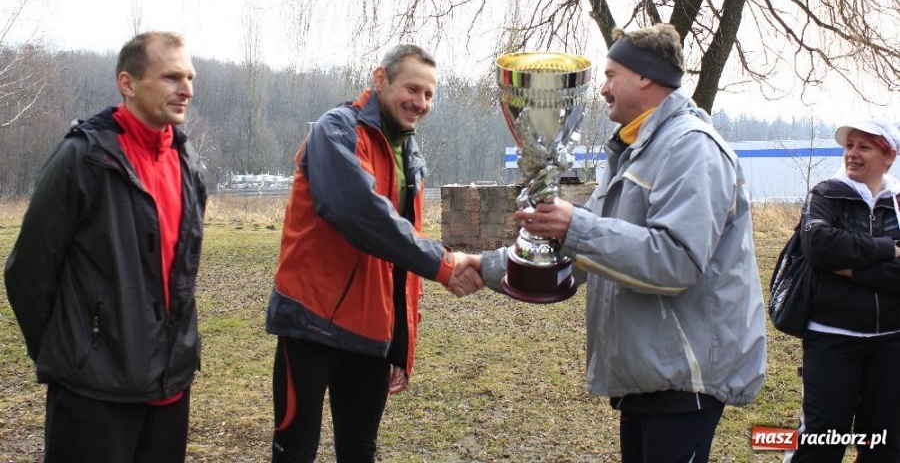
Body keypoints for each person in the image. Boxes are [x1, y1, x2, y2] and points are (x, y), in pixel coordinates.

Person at [480, 24, 767, 462]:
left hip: (683, 379)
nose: (603, 89)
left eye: (612, 75)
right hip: (649, 374)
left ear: (646, 77)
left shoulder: (691, 149)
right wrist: (479, 266)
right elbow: (583, 250)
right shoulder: (633, 151)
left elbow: (675, 260)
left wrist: (573, 226)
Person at [267, 43, 483, 462]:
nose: (421, 103)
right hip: (310, 322)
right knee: (295, 449)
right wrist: (444, 264)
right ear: (380, 79)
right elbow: (360, 214)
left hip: (370, 333)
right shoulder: (336, 130)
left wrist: (401, 342)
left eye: (429, 95)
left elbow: (402, 246)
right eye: (413, 89)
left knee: (360, 449)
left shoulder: (409, 152)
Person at [4, 31, 206, 462]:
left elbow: (181, 273)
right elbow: (28, 273)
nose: (186, 89)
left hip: (170, 388)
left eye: (189, 77)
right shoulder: (82, 159)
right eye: (171, 77)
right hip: (93, 392)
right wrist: (78, 354)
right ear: (127, 84)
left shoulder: (186, 161)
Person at [785, 120, 900, 462]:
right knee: (821, 442)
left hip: (891, 341)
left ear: (889, 156)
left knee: (884, 443)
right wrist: (887, 250)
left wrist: (851, 269)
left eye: (864, 147)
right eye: (849, 146)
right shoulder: (825, 194)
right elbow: (818, 246)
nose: (852, 154)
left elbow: (833, 255)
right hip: (831, 339)